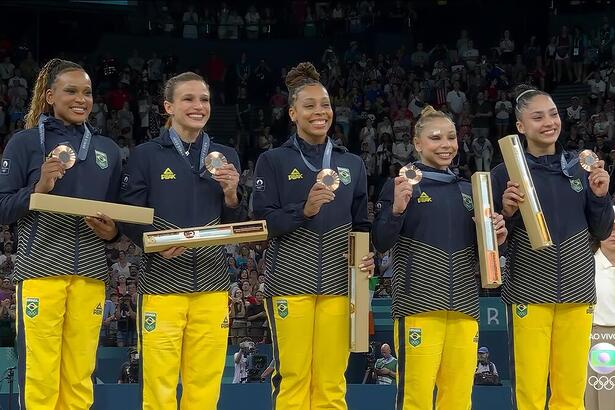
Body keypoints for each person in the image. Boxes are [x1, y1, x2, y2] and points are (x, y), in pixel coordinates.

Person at [0, 58, 121, 408]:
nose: (81, 98)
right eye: (71, 91)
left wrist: (112, 231)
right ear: (50, 95)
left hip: (91, 276)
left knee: (81, 374)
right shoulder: (24, 143)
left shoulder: (108, 151)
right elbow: (4, 206)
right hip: (40, 273)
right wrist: (38, 188)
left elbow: (116, 218)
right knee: (40, 373)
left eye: (87, 92)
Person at [252, 62, 374, 410]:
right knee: (293, 377)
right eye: (309, 106)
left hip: (339, 285)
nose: (320, 112)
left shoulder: (351, 164)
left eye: (325, 105)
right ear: (292, 112)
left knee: (332, 380)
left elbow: (361, 224)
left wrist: (365, 256)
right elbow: (262, 222)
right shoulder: (272, 160)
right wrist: (302, 211)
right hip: (290, 282)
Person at [372, 105, 507, 410]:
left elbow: (483, 251)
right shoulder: (401, 185)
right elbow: (381, 242)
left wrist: (497, 238)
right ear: (417, 143)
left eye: (451, 137)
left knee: (459, 397)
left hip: (464, 306)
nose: (446, 145)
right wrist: (395, 211)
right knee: (416, 397)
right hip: (417, 305)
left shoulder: (470, 189)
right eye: (436, 138)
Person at [120, 71, 242, 410]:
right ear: (168, 106)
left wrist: (232, 194)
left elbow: (235, 221)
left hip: (212, 285)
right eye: (188, 99)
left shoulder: (225, 154)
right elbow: (128, 214)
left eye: (204, 99)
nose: (198, 106)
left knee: (204, 386)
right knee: (158, 386)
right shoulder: (145, 154)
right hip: (161, 286)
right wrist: (153, 242)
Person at [491, 85, 614, 410]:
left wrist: (601, 197)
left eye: (553, 114)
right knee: (529, 395)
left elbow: (602, 231)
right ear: (521, 126)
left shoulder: (580, 168)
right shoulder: (504, 174)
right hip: (529, 295)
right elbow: (492, 244)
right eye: (537, 116)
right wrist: (505, 212)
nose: (549, 122)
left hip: (578, 295)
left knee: (571, 396)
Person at [585, 206, 615, 409]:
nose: (613, 233)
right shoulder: (587, 265)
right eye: (609, 227)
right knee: (603, 397)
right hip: (600, 337)